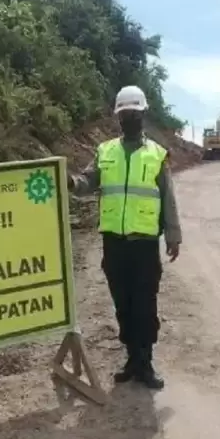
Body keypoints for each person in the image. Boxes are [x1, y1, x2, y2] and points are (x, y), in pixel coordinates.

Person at [67, 85, 182, 390]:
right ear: (118, 117)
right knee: (122, 304)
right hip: (114, 244)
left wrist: (173, 235)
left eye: (133, 113)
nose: (128, 118)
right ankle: (131, 358)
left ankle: (145, 361)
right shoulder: (105, 151)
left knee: (145, 304)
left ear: (142, 114)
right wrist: (69, 181)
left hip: (144, 243)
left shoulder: (157, 154)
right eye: (124, 114)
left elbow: (168, 197)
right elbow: (87, 181)